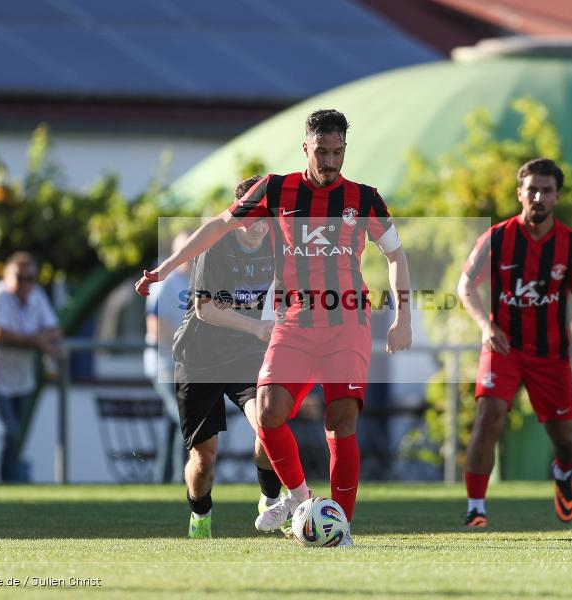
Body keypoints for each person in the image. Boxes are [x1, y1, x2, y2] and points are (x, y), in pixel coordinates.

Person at [136, 109, 413, 547]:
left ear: (345, 150)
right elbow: (217, 227)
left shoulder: (365, 199)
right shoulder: (277, 188)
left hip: (346, 325)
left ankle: (341, 528)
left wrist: (403, 315)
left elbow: (395, 255)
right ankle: (300, 499)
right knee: (267, 413)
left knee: (341, 420)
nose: (329, 161)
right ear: (306, 148)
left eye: (337, 152)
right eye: (321, 152)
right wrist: (164, 268)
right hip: (294, 322)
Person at [458, 158, 572, 529]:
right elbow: (465, 287)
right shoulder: (497, 238)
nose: (538, 196)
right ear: (519, 193)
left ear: (557, 197)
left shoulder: (571, 245)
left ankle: (563, 472)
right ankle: (476, 507)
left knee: (567, 440)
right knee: (488, 417)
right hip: (503, 347)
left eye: (546, 190)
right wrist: (485, 325)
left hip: (550, 355)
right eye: (532, 189)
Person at [171, 176, 282, 539]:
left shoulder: (280, 242)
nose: (255, 229)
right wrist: (258, 329)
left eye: (262, 222)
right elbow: (206, 309)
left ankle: (269, 499)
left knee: (268, 425)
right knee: (205, 460)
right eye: (248, 222)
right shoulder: (214, 245)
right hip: (199, 357)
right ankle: (200, 516)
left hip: (245, 355)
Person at [0, 253, 60, 483]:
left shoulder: (37, 296)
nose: (25, 283)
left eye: (30, 278)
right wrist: (38, 340)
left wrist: (36, 338)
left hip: (22, 379)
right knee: (6, 432)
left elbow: (54, 330)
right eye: (19, 277)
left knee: (12, 437)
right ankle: (2, 485)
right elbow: (0, 333)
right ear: (7, 276)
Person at [144, 230, 192, 483]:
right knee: (187, 419)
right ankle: (180, 480)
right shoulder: (166, 282)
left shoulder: (197, 280)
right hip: (164, 365)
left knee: (174, 426)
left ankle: (163, 481)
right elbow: (156, 325)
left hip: (185, 366)